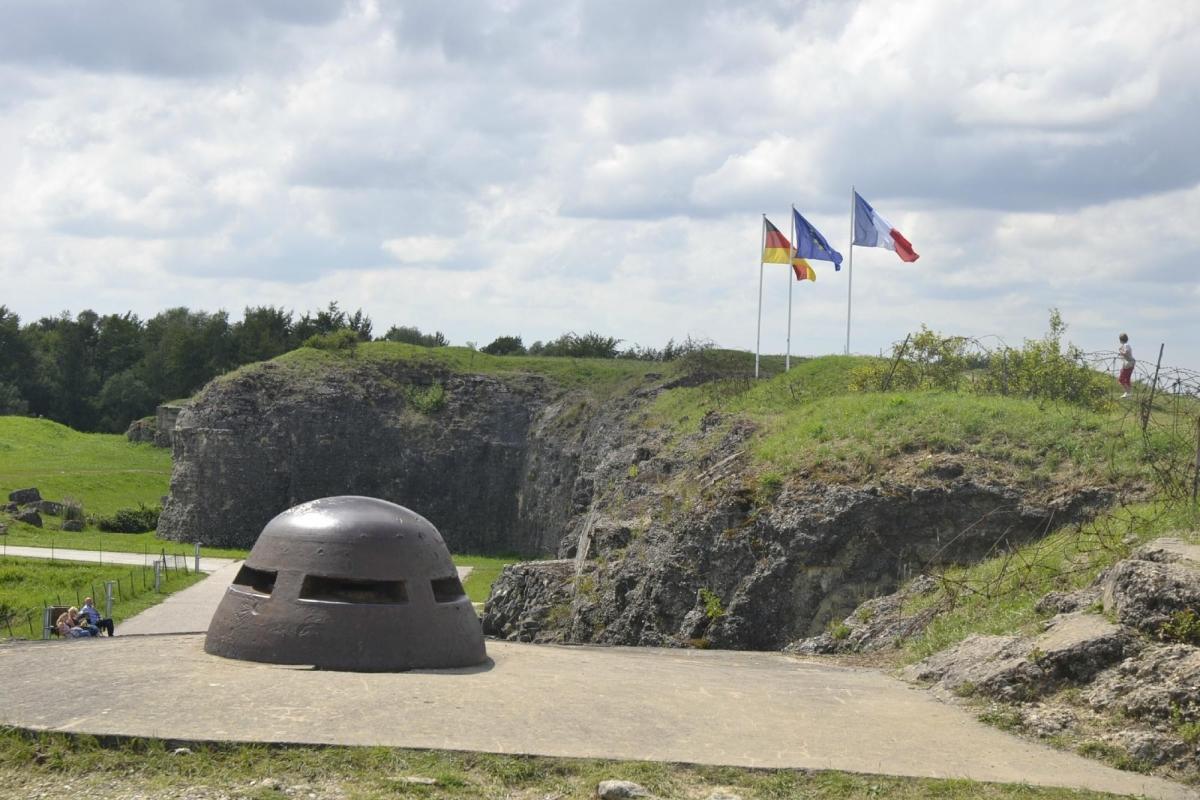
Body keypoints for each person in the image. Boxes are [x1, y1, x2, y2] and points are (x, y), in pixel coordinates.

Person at [1117, 333, 1135, 398]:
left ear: (1120, 340)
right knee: (1127, 379)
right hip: (1130, 363)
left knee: (1121, 379)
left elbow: (1126, 353)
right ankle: (1129, 394)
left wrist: (1120, 351)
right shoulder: (1126, 345)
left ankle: (1128, 392)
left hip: (1128, 364)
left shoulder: (1126, 345)